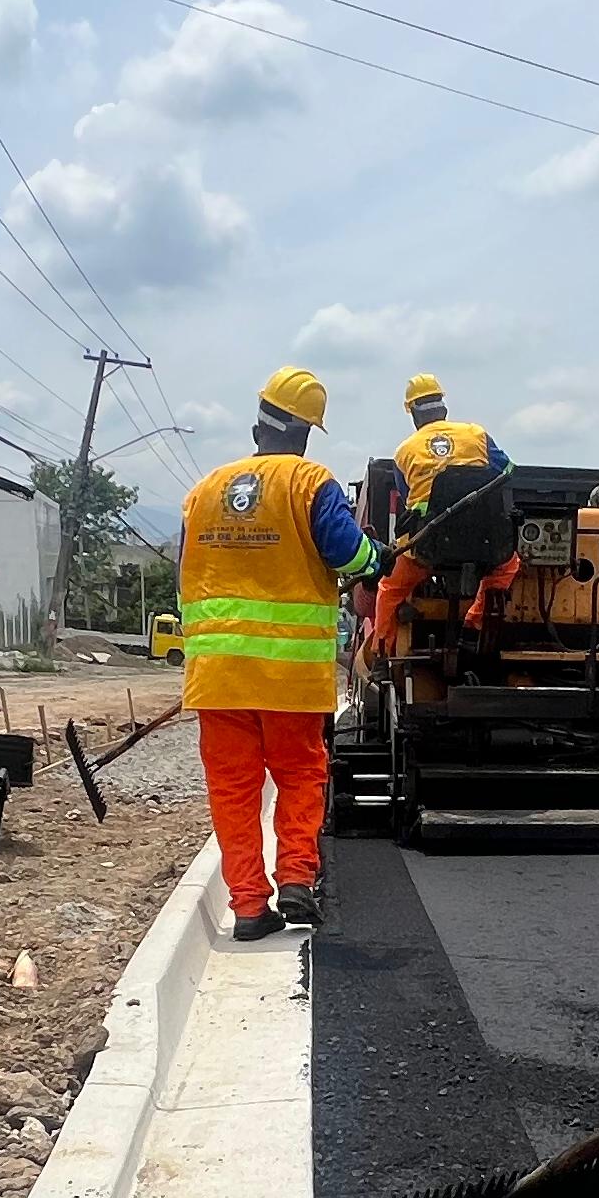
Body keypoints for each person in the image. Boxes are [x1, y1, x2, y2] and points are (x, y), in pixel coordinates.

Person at [179, 365, 378, 940]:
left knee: (234, 791)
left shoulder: (204, 490)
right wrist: (375, 560)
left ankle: (248, 907)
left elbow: (186, 575)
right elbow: (348, 553)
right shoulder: (310, 482)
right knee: (300, 776)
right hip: (289, 676)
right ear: (307, 433)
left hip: (217, 679)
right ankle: (295, 879)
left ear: (255, 426)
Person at [363, 375, 516, 663]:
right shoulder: (477, 435)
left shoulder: (404, 452)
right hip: (481, 542)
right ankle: (474, 624)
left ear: (413, 414)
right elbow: (506, 470)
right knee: (508, 565)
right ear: (443, 407)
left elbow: (411, 501)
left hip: (429, 547)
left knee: (390, 588)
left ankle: (381, 655)